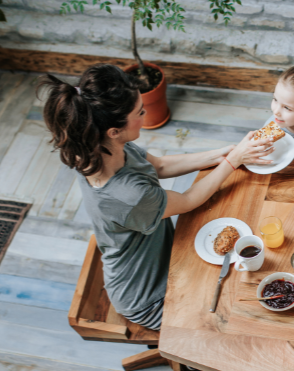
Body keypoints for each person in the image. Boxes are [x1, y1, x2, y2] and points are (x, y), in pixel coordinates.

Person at [39, 64, 274, 330]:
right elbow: (188, 201)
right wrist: (233, 161)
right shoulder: (129, 195)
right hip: (152, 298)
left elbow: (159, 165)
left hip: (165, 254)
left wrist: (225, 153)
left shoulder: (98, 147)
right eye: (139, 112)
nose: (145, 114)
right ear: (114, 131)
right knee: (236, 319)